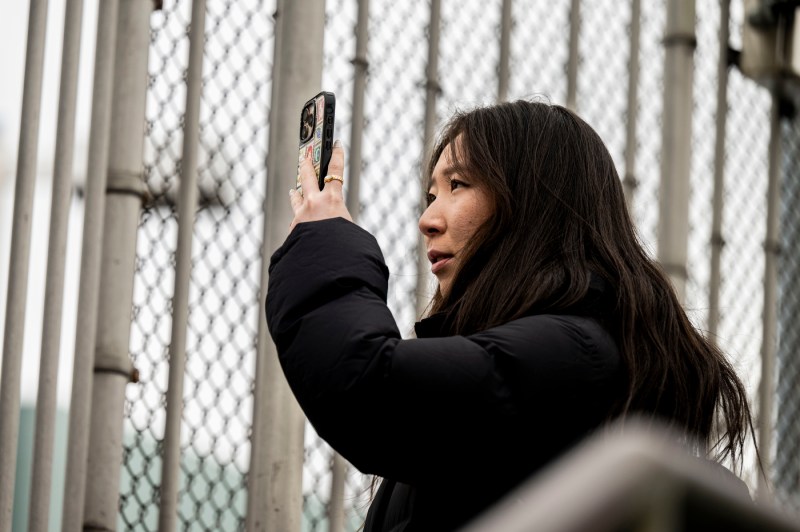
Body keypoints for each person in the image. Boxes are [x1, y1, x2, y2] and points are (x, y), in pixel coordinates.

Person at [265, 100, 756, 531]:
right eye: (431, 195)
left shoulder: (570, 356)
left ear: (534, 204)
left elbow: (371, 387)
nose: (427, 220)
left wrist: (325, 241)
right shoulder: (560, 354)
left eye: (458, 185)